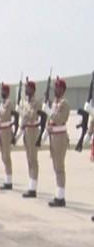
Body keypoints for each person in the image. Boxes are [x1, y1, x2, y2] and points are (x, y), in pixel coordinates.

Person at [46, 77, 70, 207]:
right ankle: (58, 194)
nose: (56, 89)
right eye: (55, 87)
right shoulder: (55, 103)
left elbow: (60, 119)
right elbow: (50, 120)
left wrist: (49, 111)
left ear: (63, 89)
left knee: (59, 167)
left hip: (60, 137)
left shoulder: (64, 104)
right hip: (54, 136)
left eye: (58, 87)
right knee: (56, 167)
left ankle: (61, 198)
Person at [19, 79, 42, 198]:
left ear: (33, 90)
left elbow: (32, 115)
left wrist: (24, 112)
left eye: (28, 88)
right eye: (26, 88)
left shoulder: (36, 102)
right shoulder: (26, 102)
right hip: (27, 131)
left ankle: (33, 188)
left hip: (33, 131)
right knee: (29, 159)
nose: (26, 90)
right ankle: (31, 185)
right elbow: (24, 117)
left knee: (33, 159)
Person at [0, 84, 14, 190]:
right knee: (3, 156)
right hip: (1, 131)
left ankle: (9, 182)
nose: (2, 92)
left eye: (4, 91)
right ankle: (7, 179)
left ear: (7, 92)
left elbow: (4, 115)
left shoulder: (8, 103)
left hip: (6, 131)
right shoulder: (2, 103)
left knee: (6, 156)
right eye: (2, 90)